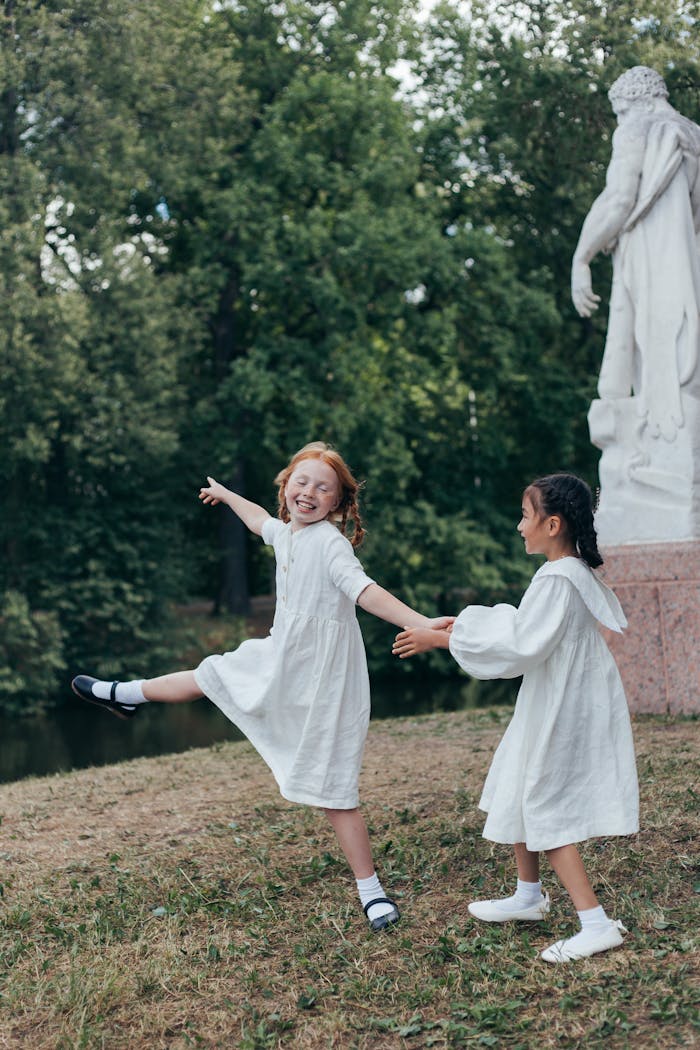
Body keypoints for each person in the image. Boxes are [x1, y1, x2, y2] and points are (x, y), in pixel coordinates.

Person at [72, 442, 451, 932]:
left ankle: (371, 891)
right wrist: (229, 496)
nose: (309, 493)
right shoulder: (289, 533)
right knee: (209, 675)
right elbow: (258, 521)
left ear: (337, 503)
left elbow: (367, 593)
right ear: (286, 488)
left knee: (335, 789)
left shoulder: (329, 545)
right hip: (280, 656)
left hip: (324, 680)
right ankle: (123, 695)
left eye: (322, 488)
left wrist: (424, 624)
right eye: (301, 482)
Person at [392, 473, 639, 963]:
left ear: (551, 523)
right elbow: (521, 625)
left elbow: (520, 644)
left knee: (544, 800)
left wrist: (440, 640)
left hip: (562, 706)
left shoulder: (558, 577)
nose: (518, 525)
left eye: (525, 516)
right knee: (519, 783)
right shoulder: (565, 573)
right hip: (554, 698)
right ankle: (528, 895)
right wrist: (461, 623)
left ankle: (595, 923)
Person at [571, 65, 700, 443]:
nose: (620, 120)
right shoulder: (694, 135)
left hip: (648, 258)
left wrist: (582, 257)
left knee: (651, 353)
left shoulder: (636, 128)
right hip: (688, 266)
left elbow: (619, 200)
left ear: (635, 101)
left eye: (620, 112)